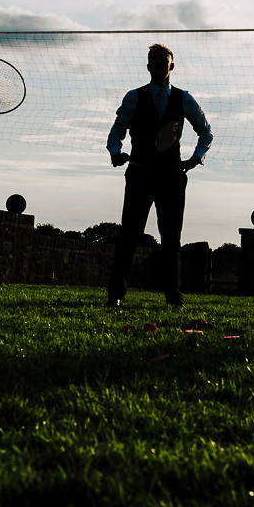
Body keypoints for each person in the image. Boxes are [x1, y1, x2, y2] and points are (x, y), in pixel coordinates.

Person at [105, 43, 213, 309]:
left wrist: (196, 158)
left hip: (171, 177)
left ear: (171, 66)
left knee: (171, 239)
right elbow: (117, 129)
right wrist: (115, 151)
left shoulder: (184, 98)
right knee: (128, 235)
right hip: (140, 173)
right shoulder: (133, 97)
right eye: (153, 60)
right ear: (148, 66)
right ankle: (115, 296)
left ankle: (174, 298)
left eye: (163, 60)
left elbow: (206, 132)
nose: (158, 64)